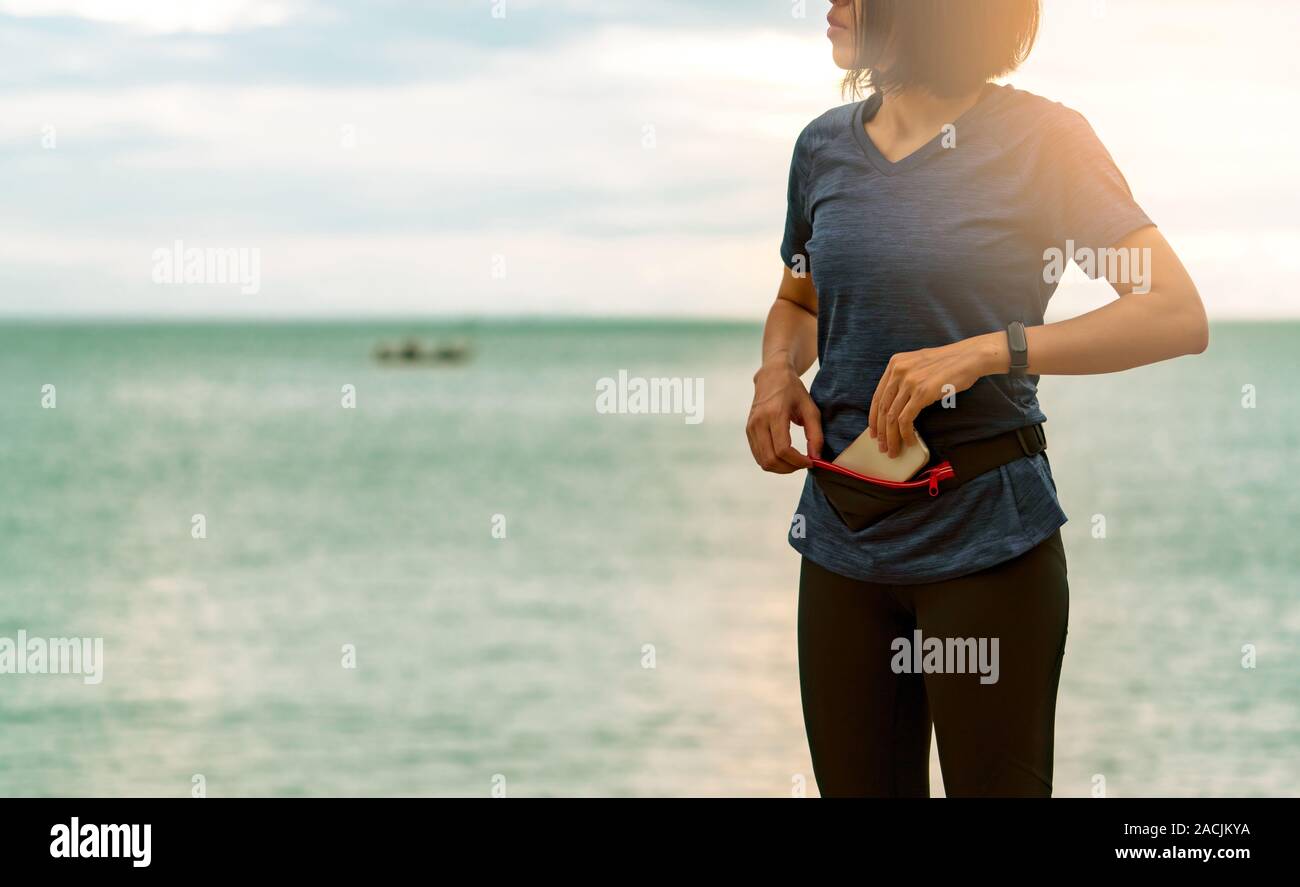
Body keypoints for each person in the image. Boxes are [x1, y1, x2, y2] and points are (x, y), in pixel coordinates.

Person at [745, 0, 1208, 797]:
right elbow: (800, 304)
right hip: (844, 539)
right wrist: (775, 374)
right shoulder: (822, 147)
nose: (830, 6)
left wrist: (991, 349)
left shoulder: (1045, 142)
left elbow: (1174, 310)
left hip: (988, 541)